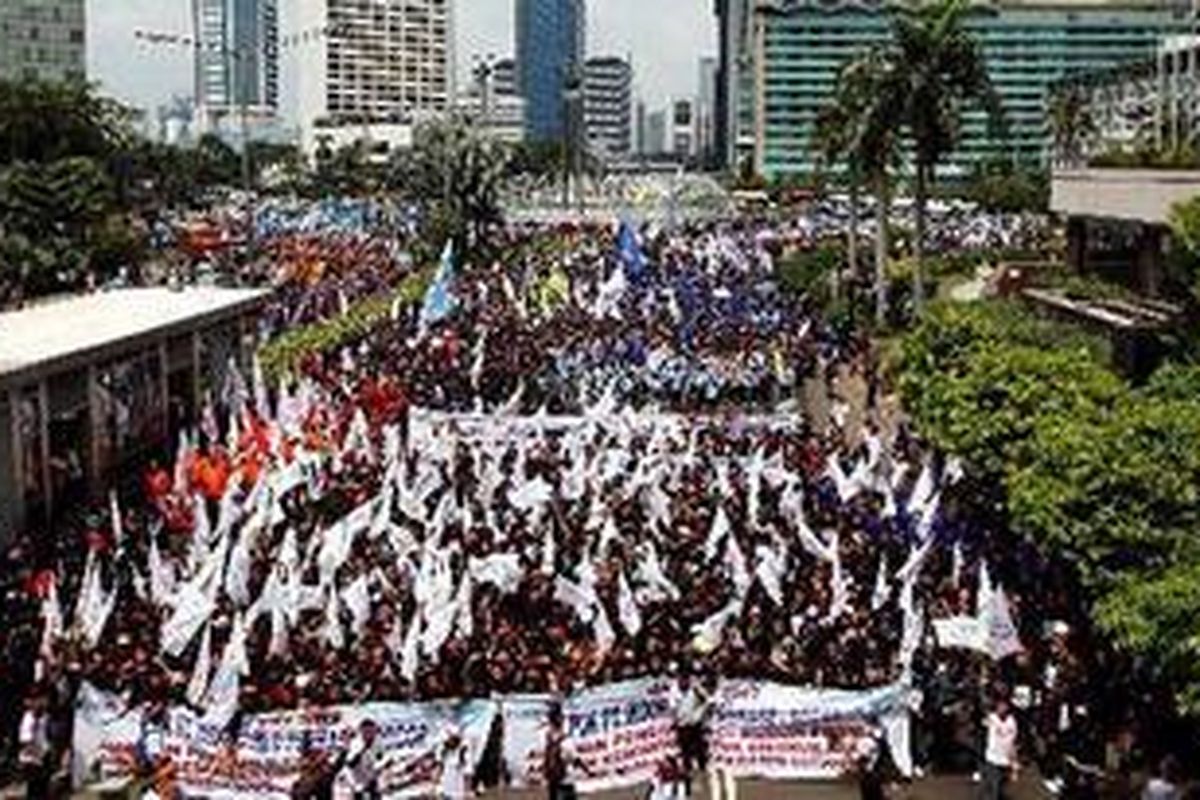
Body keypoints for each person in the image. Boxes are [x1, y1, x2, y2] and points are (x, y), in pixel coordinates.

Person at [671, 672, 713, 797]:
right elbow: (673, 709)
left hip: (695, 726)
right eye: (681, 679)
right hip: (683, 728)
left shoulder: (695, 689)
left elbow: (708, 701)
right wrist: (678, 719)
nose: (683, 682)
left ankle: (703, 778)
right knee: (686, 757)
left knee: (701, 754)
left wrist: (699, 714)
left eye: (685, 679)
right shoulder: (674, 691)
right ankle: (688, 785)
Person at [980, 697, 1019, 800]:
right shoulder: (992, 718)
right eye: (1000, 706)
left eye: (1005, 706)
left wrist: (1014, 761)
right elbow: (983, 722)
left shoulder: (1012, 721)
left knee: (1002, 784)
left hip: (1006, 758)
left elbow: (1013, 741)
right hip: (992, 757)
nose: (1002, 708)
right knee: (994, 785)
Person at [18, 694, 51, 800]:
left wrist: (46, 750)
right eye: (37, 702)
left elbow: (48, 735)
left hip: (43, 755)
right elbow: (24, 739)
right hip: (31, 757)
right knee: (33, 786)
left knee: (43, 786)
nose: (41, 703)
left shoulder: (46, 717)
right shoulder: (27, 718)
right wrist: (33, 749)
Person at [344, 719, 384, 800]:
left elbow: (380, 756)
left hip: (370, 774)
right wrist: (363, 749)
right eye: (367, 732)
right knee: (360, 794)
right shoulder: (355, 743)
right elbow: (350, 763)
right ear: (362, 732)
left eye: (373, 731)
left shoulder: (377, 740)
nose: (370, 734)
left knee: (376, 795)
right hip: (356, 777)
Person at [437, 727, 470, 800]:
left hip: (457, 792)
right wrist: (438, 784)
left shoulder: (463, 753)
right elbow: (441, 769)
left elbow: (467, 774)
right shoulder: (444, 752)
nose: (449, 742)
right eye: (448, 740)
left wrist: (467, 791)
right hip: (445, 790)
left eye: (451, 739)